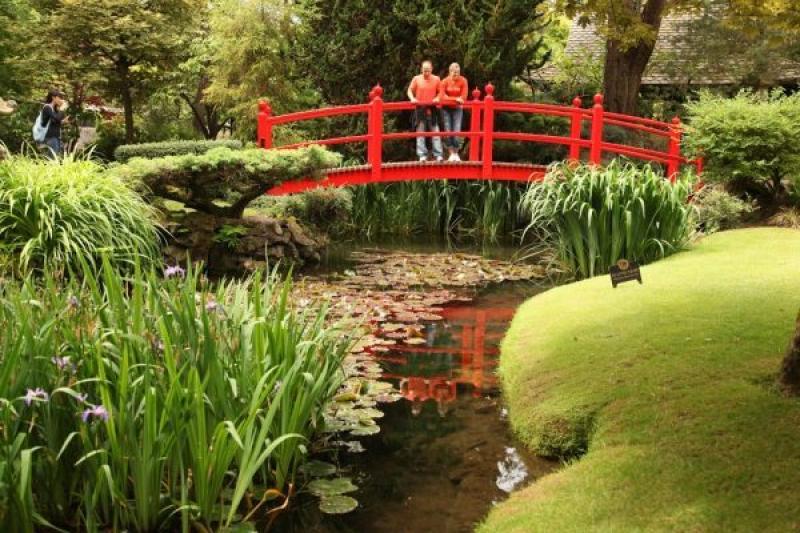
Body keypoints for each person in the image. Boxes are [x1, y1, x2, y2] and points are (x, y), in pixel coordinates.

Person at [407, 60, 443, 162]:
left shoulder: (436, 79)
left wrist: (437, 98)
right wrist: (412, 98)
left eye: (428, 70)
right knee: (420, 133)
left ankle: (438, 155)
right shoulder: (416, 79)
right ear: (421, 69)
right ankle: (422, 155)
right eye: (424, 70)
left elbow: (441, 92)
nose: (426, 72)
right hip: (420, 109)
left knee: (436, 132)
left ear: (431, 69)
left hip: (432, 110)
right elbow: (409, 90)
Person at [438, 63, 468, 161]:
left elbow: (464, 97)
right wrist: (455, 98)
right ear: (450, 72)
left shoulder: (463, 81)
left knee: (456, 130)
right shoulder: (444, 81)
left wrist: (450, 98)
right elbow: (442, 97)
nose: (456, 75)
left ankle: (456, 153)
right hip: (446, 108)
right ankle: (451, 153)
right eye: (454, 73)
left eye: (458, 73)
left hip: (457, 108)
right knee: (448, 130)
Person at [40, 89, 70, 158]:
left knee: (58, 157)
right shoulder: (47, 107)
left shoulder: (55, 109)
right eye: (59, 98)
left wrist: (63, 121)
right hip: (50, 137)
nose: (61, 100)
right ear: (53, 97)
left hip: (56, 136)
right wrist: (62, 109)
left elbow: (56, 121)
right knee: (53, 158)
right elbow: (56, 118)